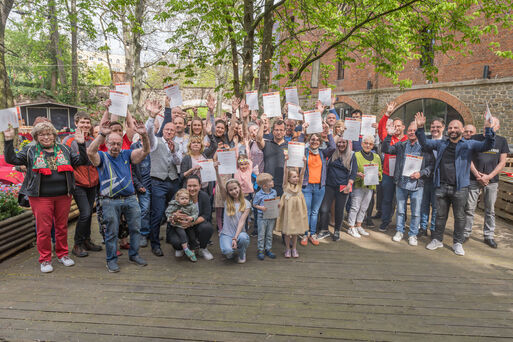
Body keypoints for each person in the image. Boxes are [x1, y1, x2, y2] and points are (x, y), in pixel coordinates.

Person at [4, 122, 88, 273]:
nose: (46, 137)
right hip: (40, 197)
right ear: (36, 137)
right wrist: (9, 140)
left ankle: (62, 254)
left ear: (54, 135)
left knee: (61, 226)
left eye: (49, 134)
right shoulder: (30, 150)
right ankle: (45, 259)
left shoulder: (64, 149)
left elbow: (81, 161)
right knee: (44, 229)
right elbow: (12, 160)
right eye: (42, 134)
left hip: (63, 195)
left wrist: (81, 145)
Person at [415, 112, 497, 256]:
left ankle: (457, 242)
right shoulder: (441, 143)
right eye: (450, 128)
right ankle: (437, 239)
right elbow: (425, 143)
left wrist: (489, 129)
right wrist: (421, 128)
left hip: (460, 188)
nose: (453, 130)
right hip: (441, 186)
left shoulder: (469, 144)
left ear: (462, 130)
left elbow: (487, 145)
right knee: (440, 216)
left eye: (456, 128)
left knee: (460, 217)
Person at [87, 120, 150, 272]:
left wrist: (145, 136)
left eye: (118, 143)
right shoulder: (102, 157)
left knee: (136, 228)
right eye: (112, 143)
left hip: (130, 199)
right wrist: (102, 134)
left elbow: (145, 151)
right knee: (111, 232)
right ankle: (111, 260)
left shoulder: (126, 154)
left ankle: (134, 255)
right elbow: (90, 152)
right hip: (109, 201)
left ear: (122, 143)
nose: (115, 146)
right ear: (107, 144)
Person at [382, 122, 434, 246]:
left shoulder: (425, 147)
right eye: (410, 130)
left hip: (417, 184)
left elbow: (431, 165)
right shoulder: (401, 145)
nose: (412, 132)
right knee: (400, 210)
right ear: (407, 132)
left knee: (416, 212)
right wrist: (388, 136)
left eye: (414, 130)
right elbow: (386, 149)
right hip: (401, 183)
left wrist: (421, 173)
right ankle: (399, 231)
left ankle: (412, 234)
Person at [62, 112, 102, 258]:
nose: (85, 125)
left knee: (89, 213)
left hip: (93, 182)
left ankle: (87, 240)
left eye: (87, 123)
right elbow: (67, 162)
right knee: (85, 213)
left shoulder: (92, 139)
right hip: (78, 182)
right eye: (82, 123)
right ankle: (77, 244)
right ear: (76, 123)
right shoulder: (68, 140)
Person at [465, 118, 509, 248]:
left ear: (498, 127)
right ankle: (466, 233)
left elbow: (502, 162)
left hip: (492, 181)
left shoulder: (502, 141)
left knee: (490, 210)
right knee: (469, 208)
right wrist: (477, 174)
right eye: (485, 126)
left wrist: (489, 176)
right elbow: (468, 158)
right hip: (474, 178)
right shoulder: (474, 138)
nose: (487, 129)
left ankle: (488, 236)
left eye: (490, 126)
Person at [145, 112, 182, 257]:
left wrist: (173, 152)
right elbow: (148, 132)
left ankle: (170, 237)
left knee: (173, 212)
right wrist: (151, 117)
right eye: (167, 129)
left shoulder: (177, 145)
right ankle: (155, 244)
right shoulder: (155, 142)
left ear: (174, 133)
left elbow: (178, 162)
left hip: (173, 181)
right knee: (158, 213)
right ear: (163, 130)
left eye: (172, 130)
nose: (169, 132)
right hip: (158, 182)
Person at [299, 131, 336, 245]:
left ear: (320, 142)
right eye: (312, 139)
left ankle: (313, 234)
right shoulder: (304, 152)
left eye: (317, 140)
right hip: (307, 186)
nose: (314, 141)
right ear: (309, 141)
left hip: (320, 187)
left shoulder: (322, 153)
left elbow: (333, 147)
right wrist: (302, 133)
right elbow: (298, 146)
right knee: (307, 211)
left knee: (315, 212)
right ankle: (305, 234)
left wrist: (329, 132)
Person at [317, 137, 357, 241]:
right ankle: (324, 230)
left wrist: (349, 185)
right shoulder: (332, 153)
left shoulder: (352, 155)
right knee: (324, 209)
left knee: (339, 210)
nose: (341, 144)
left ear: (347, 143)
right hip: (329, 185)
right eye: (339, 142)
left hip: (343, 186)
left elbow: (353, 172)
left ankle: (337, 231)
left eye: (343, 142)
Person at [167, 176, 215, 260]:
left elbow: (206, 215)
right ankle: (181, 248)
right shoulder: (179, 195)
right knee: (176, 241)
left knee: (207, 228)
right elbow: (169, 210)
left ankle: (202, 248)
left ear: (200, 186)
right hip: (179, 226)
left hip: (195, 224)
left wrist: (191, 223)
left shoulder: (204, 196)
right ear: (186, 186)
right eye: (189, 186)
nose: (192, 188)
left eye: (195, 185)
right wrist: (174, 216)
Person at [377, 102, 406, 232]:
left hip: (402, 175)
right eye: (394, 126)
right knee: (387, 199)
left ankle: (401, 224)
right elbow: (380, 128)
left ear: (403, 127)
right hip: (388, 174)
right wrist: (387, 113)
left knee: (401, 201)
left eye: (399, 126)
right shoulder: (389, 138)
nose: (397, 128)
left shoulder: (407, 139)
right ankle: (385, 221)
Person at [347, 135, 382, 238]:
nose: (368, 145)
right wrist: (358, 174)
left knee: (364, 207)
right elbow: (351, 169)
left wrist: (379, 174)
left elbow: (380, 170)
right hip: (358, 185)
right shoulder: (356, 155)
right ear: (362, 144)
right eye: (366, 143)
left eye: (370, 144)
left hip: (370, 186)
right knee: (355, 207)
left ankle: (359, 225)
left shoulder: (376, 157)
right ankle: (351, 227)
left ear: (372, 145)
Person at [215, 166, 251, 263]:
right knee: (228, 252)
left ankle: (241, 252)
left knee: (243, 238)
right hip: (226, 234)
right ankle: (230, 251)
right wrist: (216, 170)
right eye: (231, 190)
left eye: (235, 188)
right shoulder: (226, 201)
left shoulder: (247, 203)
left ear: (239, 187)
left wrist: (235, 237)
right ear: (228, 192)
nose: (234, 191)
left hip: (239, 233)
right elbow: (221, 185)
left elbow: (242, 221)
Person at [275, 156, 308, 258]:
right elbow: (285, 172)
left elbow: (302, 173)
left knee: (295, 232)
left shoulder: (299, 185)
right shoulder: (285, 186)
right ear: (289, 179)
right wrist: (285, 161)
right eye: (294, 177)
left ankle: (294, 248)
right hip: (288, 211)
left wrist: (304, 163)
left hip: (297, 210)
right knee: (288, 232)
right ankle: (287, 249)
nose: (296, 178)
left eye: (297, 177)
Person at [419, 118, 445, 236]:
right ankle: (423, 228)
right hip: (425, 178)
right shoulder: (425, 141)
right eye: (433, 127)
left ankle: (433, 229)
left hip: (440, 180)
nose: (435, 129)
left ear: (443, 128)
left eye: (438, 126)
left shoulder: (447, 142)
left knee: (436, 206)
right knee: (424, 204)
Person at [165, 189, 199, 262]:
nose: (184, 200)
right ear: (177, 199)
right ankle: (186, 249)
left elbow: (195, 213)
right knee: (182, 235)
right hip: (178, 225)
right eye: (182, 198)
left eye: (186, 198)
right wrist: (173, 216)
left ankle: (192, 251)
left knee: (192, 237)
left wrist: (192, 217)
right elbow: (168, 213)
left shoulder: (191, 205)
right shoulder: (174, 205)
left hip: (189, 224)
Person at [256, 119, 288, 196]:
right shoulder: (267, 144)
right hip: (268, 184)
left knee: (282, 208)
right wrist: (262, 124)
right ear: (272, 131)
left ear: (285, 132)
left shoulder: (290, 146)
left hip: (283, 185)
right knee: (269, 208)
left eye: (281, 130)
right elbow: (258, 139)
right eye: (276, 130)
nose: (279, 132)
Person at [252, 173, 278, 260]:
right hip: (262, 217)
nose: (272, 182)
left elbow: (275, 201)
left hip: (271, 216)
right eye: (270, 181)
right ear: (264, 186)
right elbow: (254, 204)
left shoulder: (274, 192)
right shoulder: (259, 194)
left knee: (269, 234)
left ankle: (268, 249)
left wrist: (278, 204)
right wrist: (261, 207)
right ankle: (260, 250)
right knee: (261, 234)